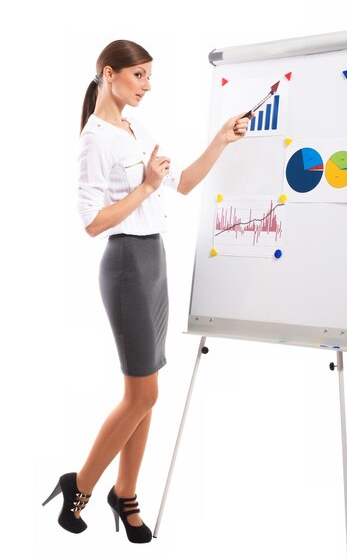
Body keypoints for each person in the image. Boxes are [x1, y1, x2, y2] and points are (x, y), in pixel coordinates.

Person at [41, 39, 251, 544]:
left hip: (153, 260)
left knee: (144, 393)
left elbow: (180, 183)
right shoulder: (96, 138)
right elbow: (91, 223)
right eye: (140, 76)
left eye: (150, 77)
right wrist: (143, 190)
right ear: (109, 74)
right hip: (126, 265)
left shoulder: (137, 128)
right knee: (144, 392)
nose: (147, 86)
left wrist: (221, 140)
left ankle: (126, 493)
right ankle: (81, 484)